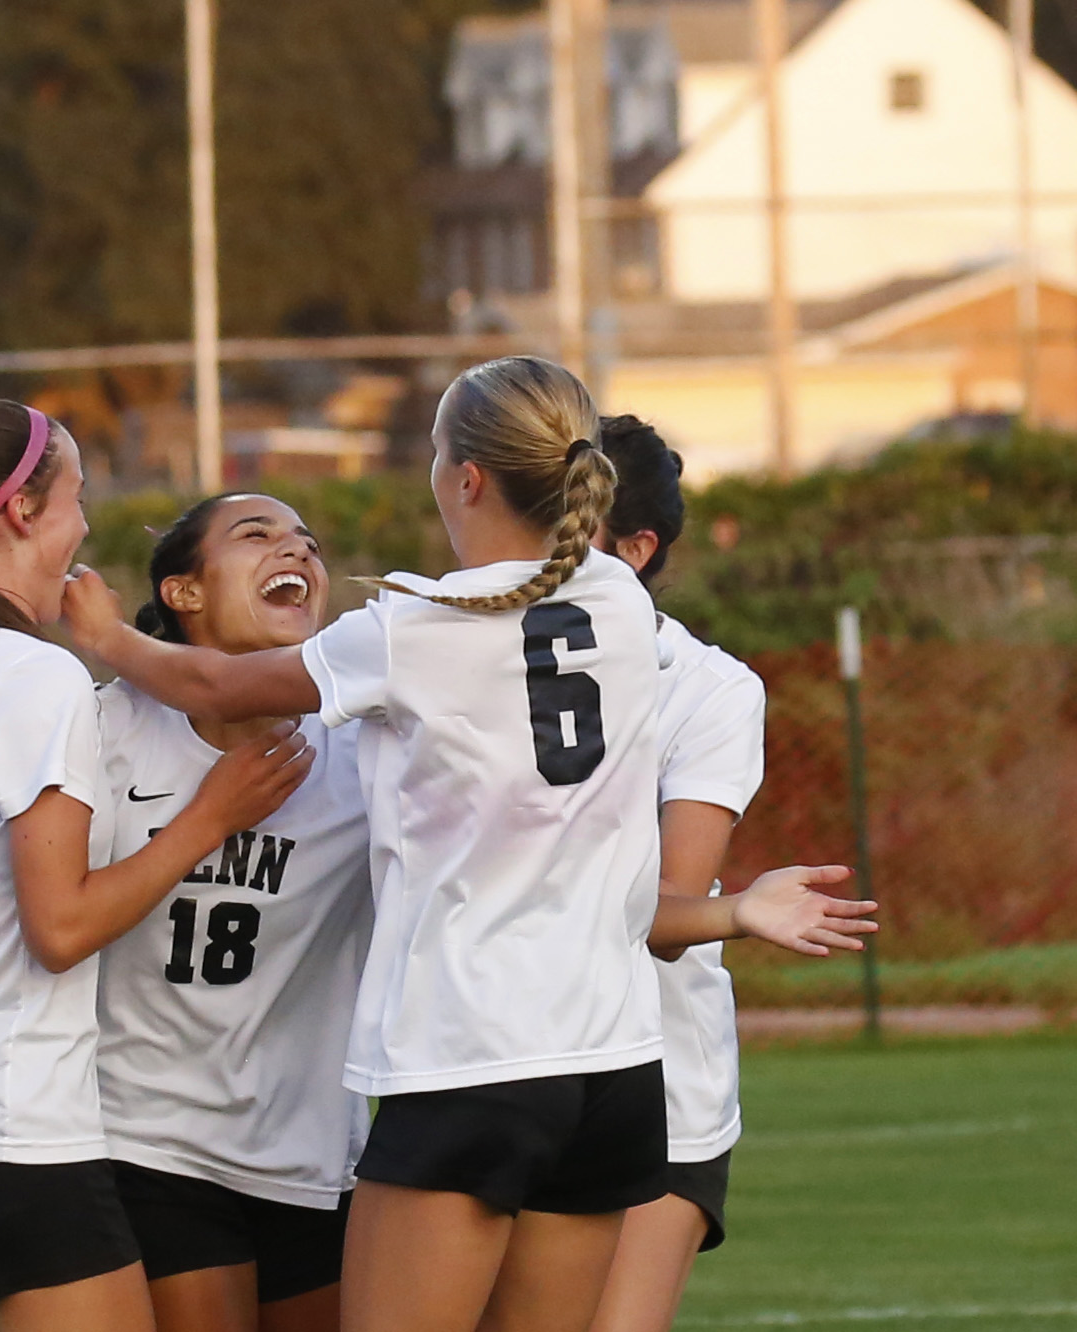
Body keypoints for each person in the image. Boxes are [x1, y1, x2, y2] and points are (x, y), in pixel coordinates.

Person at [60, 356, 877, 1332]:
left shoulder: (421, 625)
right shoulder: (620, 604)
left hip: (470, 1058)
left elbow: (216, 687)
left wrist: (107, 635)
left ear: (468, 478)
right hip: (613, 1068)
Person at [0, 398, 313, 1332]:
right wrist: (209, 819)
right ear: (21, 512)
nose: (85, 526)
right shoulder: (35, 675)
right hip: (0, 1132)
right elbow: (59, 929)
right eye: (76, 497)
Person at [587, 415, 764, 1332]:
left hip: (656, 1082)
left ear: (637, 548)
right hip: (497, 1069)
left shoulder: (708, 689)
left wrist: (735, 913)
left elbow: (665, 917)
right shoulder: (461, 654)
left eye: (565, 522)